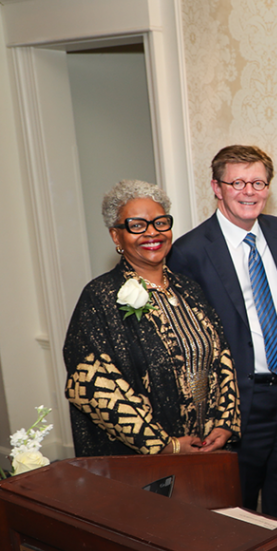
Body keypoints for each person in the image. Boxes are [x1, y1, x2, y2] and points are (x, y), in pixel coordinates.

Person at [168, 145, 277, 520]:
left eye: (258, 182)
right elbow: (187, 342)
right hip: (239, 404)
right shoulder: (190, 251)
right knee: (236, 507)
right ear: (217, 187)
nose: (249, 191)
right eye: (238, 182)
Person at [64, 179, 240, 456]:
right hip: (141, 461)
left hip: (208, 450)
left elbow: (222, 357)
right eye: (137, 226)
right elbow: (92, 385)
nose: (152, 233)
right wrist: (163, 445)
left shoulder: (189, 289)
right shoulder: (100, 297)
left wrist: (225, 422)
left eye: (160, 222)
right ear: (115, 236)